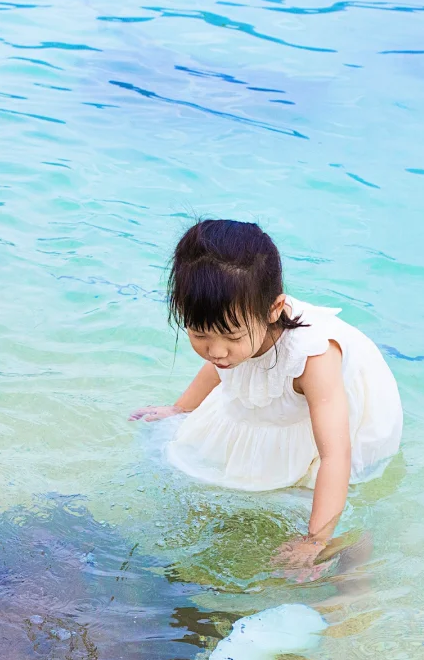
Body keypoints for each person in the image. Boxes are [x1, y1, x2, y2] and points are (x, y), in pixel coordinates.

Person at [131, 219, 403, 574]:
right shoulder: (231, 336)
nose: (216, 351)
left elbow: (335, 454)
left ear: (273, 311)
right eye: (200, 335)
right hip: (275, 394)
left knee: (332, 510)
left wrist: (315, 539)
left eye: (230, 337)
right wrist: (179, 409)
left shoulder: (314, 360)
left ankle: (354, 579)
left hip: (328, 414)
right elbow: (219, 369)